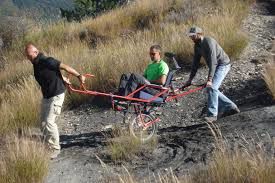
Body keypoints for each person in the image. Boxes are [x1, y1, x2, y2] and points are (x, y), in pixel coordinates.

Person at [25, 43, 85, 159]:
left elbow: (64, 67)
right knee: (43, 123)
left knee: (49, 122)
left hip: (56, 94)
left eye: (29, 56)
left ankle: (55, 149)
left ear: (36, 52)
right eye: (27, 56)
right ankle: (48, 145)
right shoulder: (36, 64)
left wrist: (79, 75)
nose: (28, 58)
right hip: (47, 96)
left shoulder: (47, 60)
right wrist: (63, 78)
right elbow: (53, 72)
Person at [183, 26, 240, 123]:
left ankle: (212, 115)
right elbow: (195, 63)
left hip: (223, 65)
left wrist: (209, 79)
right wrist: (190, 80)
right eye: (190, 36)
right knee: (211, 89)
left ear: (199, 34)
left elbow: (213, 62)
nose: (191, 38)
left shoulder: (208, 41)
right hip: (216, 66)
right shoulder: (197, 46)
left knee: (212, 88)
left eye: (193, 36)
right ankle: (230, 106)